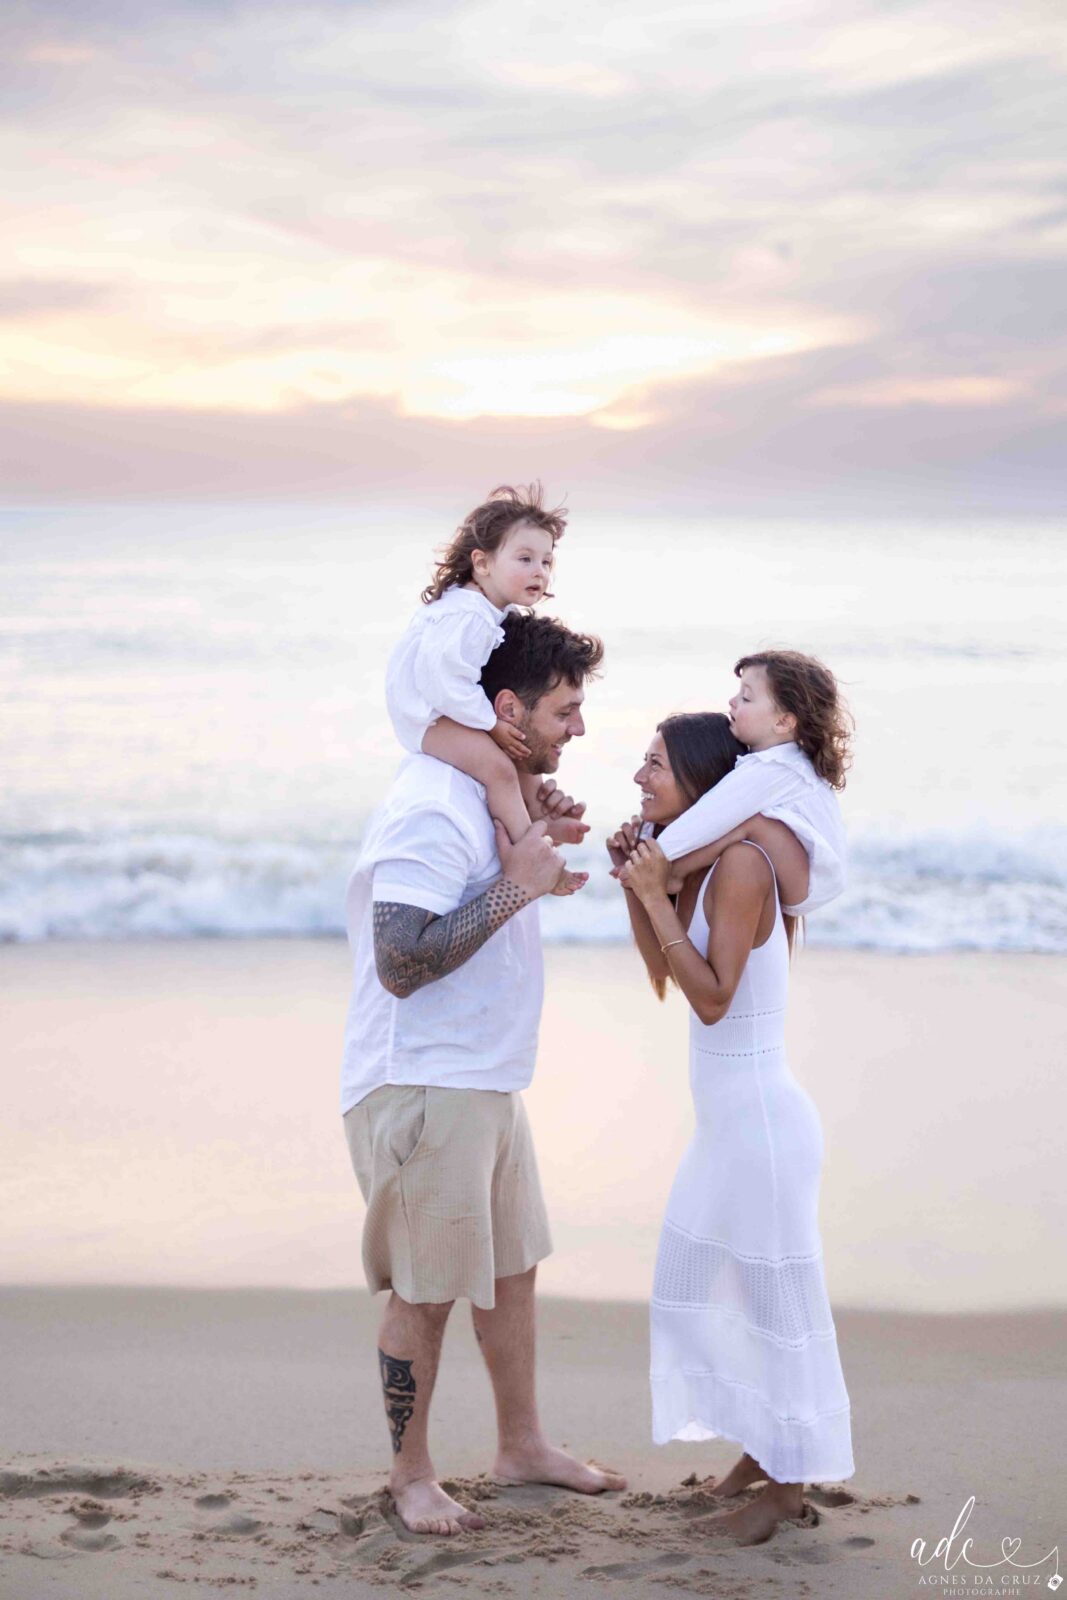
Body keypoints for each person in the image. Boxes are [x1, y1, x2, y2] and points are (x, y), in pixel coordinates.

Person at [341, 610, 624, 1537]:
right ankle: (409, 1474)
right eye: (564, 710)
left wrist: (526, 857)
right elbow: (400, 959)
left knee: (510, 1270)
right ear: (506, 706)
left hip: (482, 1075)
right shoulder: (431, 801)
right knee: (425, 1290)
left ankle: (521, 1446)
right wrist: (517, 887)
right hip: (424, 1082)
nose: (576, 729)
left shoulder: (484, 798)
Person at [613, 711, 855, 1546]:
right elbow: (660, 974)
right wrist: (637, 887)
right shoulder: (701, 866)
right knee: (696, 1286)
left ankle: (785, 1490)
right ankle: (763, 1447)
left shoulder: (745, 864)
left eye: (652, 766)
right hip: (729, 1127)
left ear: (701, 779)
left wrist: (656, 893)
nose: (639, 778)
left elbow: (712, 1002)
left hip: (761, 1122)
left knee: (776, 1303)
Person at [385, 483, 580, 868]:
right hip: (426, 716)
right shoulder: (470, 615)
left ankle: (537, 826)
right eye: (524, 559)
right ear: (483, 562)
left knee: (519, 751)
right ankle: (535, 861)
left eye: (545, 562)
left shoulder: (486, 608)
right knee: (499, 769)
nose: (538, 572)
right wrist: (490, 722)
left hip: (440, 709)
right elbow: (442, 682)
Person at [646, 651, 853, 916]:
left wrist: (655, 855)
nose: (732, 702)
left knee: (751, 822)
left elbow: (710, 813)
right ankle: (674, 868)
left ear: (783, 721)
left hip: (809, 883)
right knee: (747, 822)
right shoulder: (782, 762)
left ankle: (677, 871)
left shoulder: (777, 766)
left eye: (746, 698)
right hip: (802, 872)